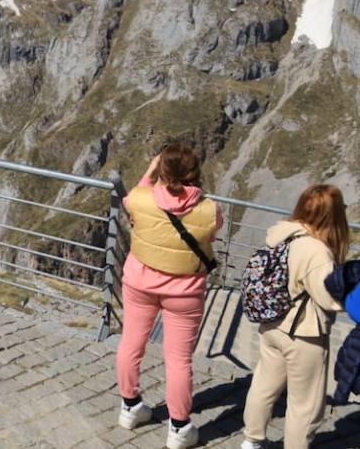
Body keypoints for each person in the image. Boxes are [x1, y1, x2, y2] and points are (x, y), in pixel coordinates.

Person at [113, 143, 222, 449]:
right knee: (177, 360)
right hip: (184, 292)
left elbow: (131, 200)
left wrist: (150, 172)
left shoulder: (140, 199)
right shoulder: (210, 210)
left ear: (160, 170)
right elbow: (211, 234)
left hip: (139, 283)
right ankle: (179, 428)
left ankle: (129, 407)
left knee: (131, 343)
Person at [241, 184, 350, 449]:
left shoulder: (279, 234)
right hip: (304, 334)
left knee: (264, 384)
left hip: (272, 324)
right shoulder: (316, 251)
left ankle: (252, 440)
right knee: (305, 404)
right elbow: (330, 298)